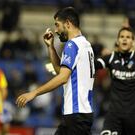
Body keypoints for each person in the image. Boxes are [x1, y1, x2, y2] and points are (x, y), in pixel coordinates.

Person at [16, 7, 95, 135]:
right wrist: (51, 47)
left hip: (76, 115)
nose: (56, 30)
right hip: (79, 115)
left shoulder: (72, 45)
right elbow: (61, 72)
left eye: (57, 25)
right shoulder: (86, 45)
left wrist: (34, 93)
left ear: (68, 23)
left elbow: (62, 78)